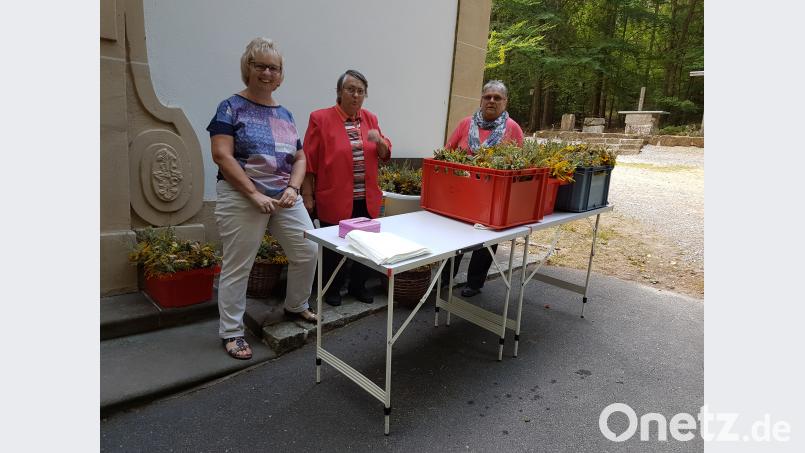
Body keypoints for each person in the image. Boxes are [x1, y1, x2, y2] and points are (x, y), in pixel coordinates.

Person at [207, 37, 318, 360]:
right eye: (260, 66)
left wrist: (293, 188)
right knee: (239, 264)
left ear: (281, 75)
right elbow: (221, 154)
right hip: (242, 196)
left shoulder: (285, 114)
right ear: (248, 68)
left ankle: (296, 305)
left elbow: (300, 157)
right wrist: (253, 193)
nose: (267, 73)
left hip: (284, 195)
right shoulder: (230, 107)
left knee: (308, 250)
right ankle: (231, 331)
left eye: (274, 68)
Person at [302, 69, 392, 306]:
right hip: (334, 197)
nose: (356, 95)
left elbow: (385, 154)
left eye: (361, 91)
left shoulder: (370, 118)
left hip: (365, 198)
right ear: (339, 92)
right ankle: (332, 287)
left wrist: (380, 141)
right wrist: (307, 195)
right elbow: (308, 162)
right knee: (334, 248)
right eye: (350, 89)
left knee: (365, 245)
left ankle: (358, 286)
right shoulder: (320, 118)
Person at [442, 80, 524, 297]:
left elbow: (521, 166)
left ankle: (475, 283)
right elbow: (446, 153)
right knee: (453, 238)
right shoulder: (465, 124)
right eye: (487, 97)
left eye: (497, 98)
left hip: (493, 198)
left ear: (505, 102)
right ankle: (444, 279)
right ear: (481, 100)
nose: (491, 101)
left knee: (485, 242)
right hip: (461, 195)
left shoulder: (513, 129)